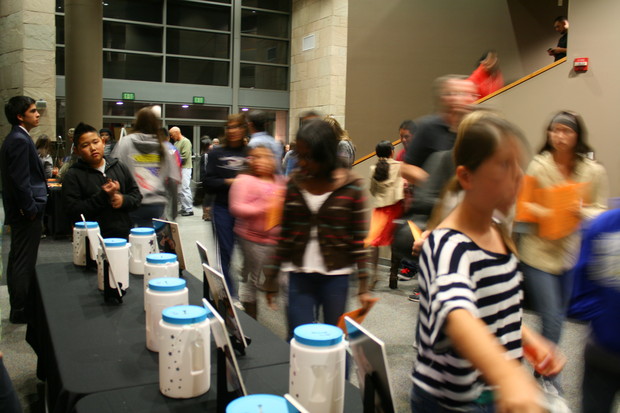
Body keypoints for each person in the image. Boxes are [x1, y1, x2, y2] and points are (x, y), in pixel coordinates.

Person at [411, 110, 565, 412]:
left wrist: (526, 337)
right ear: (467, 177)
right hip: (451, 403)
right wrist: (508, 375)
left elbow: (492, 305)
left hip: (490, 393)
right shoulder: (448, 245)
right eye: (505, 165)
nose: (519, 177)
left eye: (518, 165)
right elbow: (458, 315)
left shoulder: (496, 232)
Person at [516, 110, 608, 390]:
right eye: (555, 130)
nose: (559, 136)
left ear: (577, 136)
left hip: (569, 255)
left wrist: (581, 211)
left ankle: (542, 369)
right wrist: (547, 212)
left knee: (556, 318)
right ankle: (549, 377)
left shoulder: (593, 171)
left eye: (566, 131)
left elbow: (601, 210)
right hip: (538, 253)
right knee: (553, 317)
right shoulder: (538, 165)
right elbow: (523, 204)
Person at [261, 119, 373, 339]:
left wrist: (363, 285)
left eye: (309, 156)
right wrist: (271, 278)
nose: (302, 162)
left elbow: (358, 240)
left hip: (336, 276)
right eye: (299, 155)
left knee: (335, 340)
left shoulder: (352, 186)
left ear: (325, 154)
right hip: (298, 274)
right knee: (298, 339)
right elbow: (285, 235)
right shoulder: (294, 184)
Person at [0, 96, 47, 324]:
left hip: (22, 211)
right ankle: (20, 309)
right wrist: (30, 209)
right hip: (25, 212)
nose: (37, 114)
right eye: (33, 111)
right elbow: (20, 181)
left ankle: (19, 306)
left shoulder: (18, 137)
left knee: (18, 258)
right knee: (23, 261)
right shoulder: (19, 139)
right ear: (20, 116)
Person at [569, 208, 620, 413]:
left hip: (602, 347)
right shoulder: (603, 225)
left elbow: (580, 294)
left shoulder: (603, 223)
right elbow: (581, 294)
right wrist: (604, 321)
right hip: (603, 354)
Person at [229, 144, 286, 319]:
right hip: (251, 240)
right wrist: (264, 206)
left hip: (277, 240)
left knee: (283, 280)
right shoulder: (244, 180)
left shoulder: (281, 181)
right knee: (251, 280)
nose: (260, 161)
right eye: (255, 157)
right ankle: (251, 322)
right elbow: (237, 207)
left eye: (265, 156)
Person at [62, 122, 142, 238]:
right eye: (85, 145)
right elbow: (73, 212)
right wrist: (103, 196)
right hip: (92, 239)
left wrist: (123, 200)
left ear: (103, 142)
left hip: (123, 237)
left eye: (96, 142)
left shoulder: (118, 166)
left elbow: (137, 196)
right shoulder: (73, 175)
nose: (93, 148)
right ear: (76, 150)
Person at [401, 75, 478, 187]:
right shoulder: (428, 127)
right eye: (460, 93)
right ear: (444, 99)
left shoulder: (479, 127)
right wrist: (433, 185)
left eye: (473, 95)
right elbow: (406, 168)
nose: (469, 99)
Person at [203, 114, 249, 297]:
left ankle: (248, 294)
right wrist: (230, 182)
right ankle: (229, 294)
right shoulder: (217, 153)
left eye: (237, 126)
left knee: (251, 255)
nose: (233, 130)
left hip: (248, 211)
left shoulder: (251, 153)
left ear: (244, 129)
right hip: (223, 208)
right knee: (225, 252)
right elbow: (208, 182)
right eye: (229, 127)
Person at [112, 107, 181, 227]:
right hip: (156, 205)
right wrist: (174, 213)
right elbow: (173, 181)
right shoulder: (164, 147)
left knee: (133, 236)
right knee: (151, 235)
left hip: (132, 202)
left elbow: (114, 171)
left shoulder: (125, 143)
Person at [365, 140, 404, 290]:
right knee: (396, 242)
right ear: (392, 152)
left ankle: (374, 275)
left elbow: (372, 190)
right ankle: (393, 275)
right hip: (396, 208)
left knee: (374, 242)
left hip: (380, 209)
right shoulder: (400, 166)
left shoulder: (373, 168)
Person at [169, 126, 194, 216]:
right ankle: (184, 207)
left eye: (171, 135)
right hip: (178, 169)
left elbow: (185, 156)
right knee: (179, 190)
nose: (171, 137)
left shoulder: (186, 141)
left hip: (185, 168)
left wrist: (173, 159)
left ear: (176, 133)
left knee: (185, 188)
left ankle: (189, 209)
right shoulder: (176, 143)